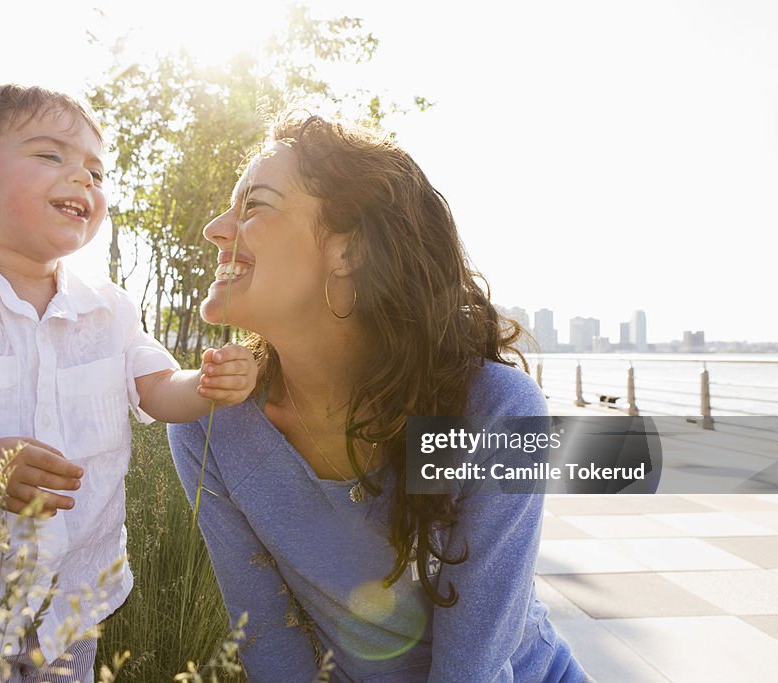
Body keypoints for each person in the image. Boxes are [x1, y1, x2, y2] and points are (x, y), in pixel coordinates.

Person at [0, 84, 257, 682]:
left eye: (96, 169)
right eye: (52, 156)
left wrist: (209, 382)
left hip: (71, 605)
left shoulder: (109, 308)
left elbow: (158, 388)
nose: (84, 179)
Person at [168, 112, 587, 682]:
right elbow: (267, 640)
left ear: (347, 251)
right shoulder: (208, 424)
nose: (216, 228)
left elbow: (474, 672)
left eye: (254, 206)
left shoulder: (493, 411)